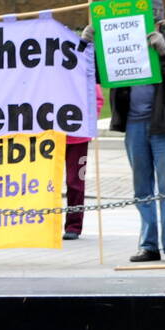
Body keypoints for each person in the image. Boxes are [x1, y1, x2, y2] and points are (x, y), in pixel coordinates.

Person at [107, 0, 165, 262]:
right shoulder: (121, 46)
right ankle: (149, 244)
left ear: (158, 21)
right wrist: (89, 44)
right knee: (142, 188)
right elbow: (98, 73)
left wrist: (164, 52)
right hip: (134, 126)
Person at [63, 85, 104, 240]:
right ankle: (45, 224)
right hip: (48, 136)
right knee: (46, 183)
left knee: (75, 182)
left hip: (78, 137)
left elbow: (97, 98)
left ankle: (74, 225)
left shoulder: (82, 67)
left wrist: (89, 122)